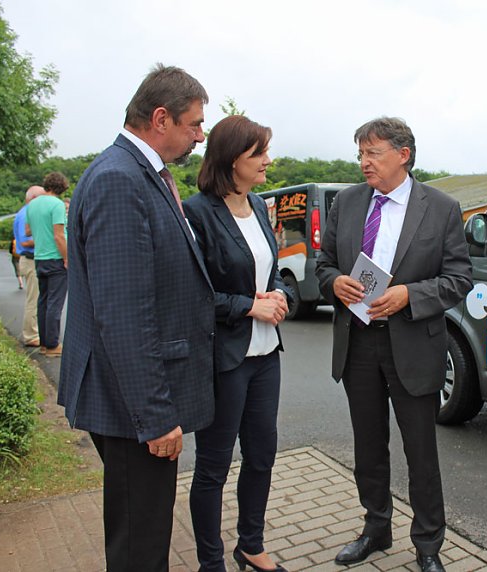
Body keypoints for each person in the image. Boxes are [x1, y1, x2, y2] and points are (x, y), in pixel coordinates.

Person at [57, 64, 215, 572]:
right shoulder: (120, 180)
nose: (199, 136)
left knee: (145, 532)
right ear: (161, 118)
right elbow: (123, 312)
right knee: (140, 544)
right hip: (131, 408)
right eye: (194, 124)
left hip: (132, 401)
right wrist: (155, 415)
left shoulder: (141, 174)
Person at [315, 117, 472, 572]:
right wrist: (335, 284)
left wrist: (410, 295)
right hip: (358, 342)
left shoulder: (441, 207)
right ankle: (375, 529)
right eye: (360, 153)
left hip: (413, 344)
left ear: (403, 155)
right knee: (368, 445)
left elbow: (459, 278)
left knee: (420, 451)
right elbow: (324, 264)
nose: (364, 162)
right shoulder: (346, 202)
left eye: (373, 153)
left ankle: (428, 546)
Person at [183, 115, 290, 572]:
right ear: (232, 161)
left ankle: (251, 544)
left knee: (262, 456)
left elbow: (271, 270)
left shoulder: (260, 204)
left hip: (266, 356)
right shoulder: (197, 212)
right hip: (224, 358)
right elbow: (193, 295)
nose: (268, 160)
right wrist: (249, 306)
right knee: (212, 467)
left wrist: (279, 292)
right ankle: (211, 562)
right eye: (258, 153)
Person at [25, 171, 69, 356]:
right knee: (55, 303)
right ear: (61, 187)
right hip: (55, 258)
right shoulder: (57, 205)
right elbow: (59, 235)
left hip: (39, 257)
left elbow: (28, 231)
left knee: (43, 301)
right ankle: (52, 345)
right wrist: (67, 257)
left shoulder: (33, 204)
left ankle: (44, 343)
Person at [13, 185, 46, 347]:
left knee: (37, 297)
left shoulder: (28, 212)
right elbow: (24, 241)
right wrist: (46, 236)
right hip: (29, 259)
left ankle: (36, 331)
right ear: (33, 199)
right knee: (34, 299)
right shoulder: (25, 214)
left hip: (33, 259)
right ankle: (30, 334)